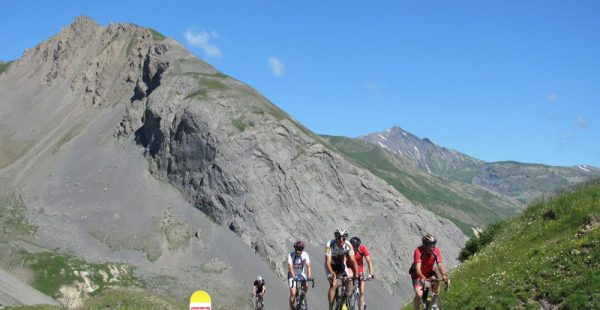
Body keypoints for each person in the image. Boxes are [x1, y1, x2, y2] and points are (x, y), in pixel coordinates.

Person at [410, 234, 449, 310]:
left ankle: (434, 303)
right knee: (419, 294)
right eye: (429, 246)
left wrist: (444, 275)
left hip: (429, 271)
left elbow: (440, 265)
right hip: (417, 274)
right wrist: (423, 278)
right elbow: (418, 268)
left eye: (433, 245)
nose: (432, 248)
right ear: (424, 245)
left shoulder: (436, 251)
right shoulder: (418, 251)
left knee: (437, 281)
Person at [325, 228, 358, 310]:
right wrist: (332, 273)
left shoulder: (348, 245)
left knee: (348, 279)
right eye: (339, 238)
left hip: (341, 265)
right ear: (335, 237)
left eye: (343, 238)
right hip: (330, 266)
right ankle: (331, 307)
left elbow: (353, 261)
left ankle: (345, 300)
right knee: (334, 284)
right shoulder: (329, 245)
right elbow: (327, 262)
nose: (341, 240)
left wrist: (356, 275)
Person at [349, 236, 375, 310]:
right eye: (352, 246)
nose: (353, 248)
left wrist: (371, 274)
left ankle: (362, 306)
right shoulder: (348, 250)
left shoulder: (362, 249)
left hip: (360, 271)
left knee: (362, 291)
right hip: (350, 270)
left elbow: (369, 261)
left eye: (355, 246)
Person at [288, 240, 313, 310]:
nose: (297, 251)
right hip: (292, 274)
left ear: (302, 249)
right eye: (296, 249)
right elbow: (290, 267)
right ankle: (292, 308)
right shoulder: (291, 255)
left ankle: (302, 299)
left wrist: (309, 276)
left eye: (299, 250)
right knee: (293, 293)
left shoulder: (305, 255)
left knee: (306, 286)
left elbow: (308, 265)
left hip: (301, 273)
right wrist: (293, 277)